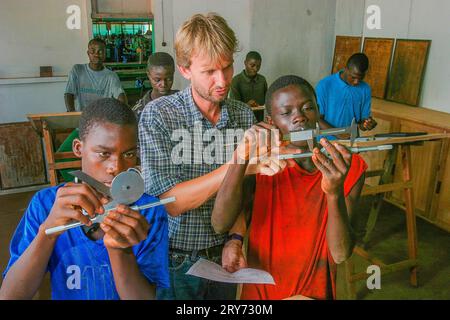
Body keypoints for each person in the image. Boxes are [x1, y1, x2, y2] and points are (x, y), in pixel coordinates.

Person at [138, 13, 293, 300]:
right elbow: (170, 202)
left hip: (224, 257)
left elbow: (242, 192)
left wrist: (235, 238)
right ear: (185, 70)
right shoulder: (159, 116)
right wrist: (240, 162)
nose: (222, 81)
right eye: (209, 71)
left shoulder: (242, 114)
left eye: (227, 67)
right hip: (177, 260)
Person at [211, 75, 368, 300]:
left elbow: (341, 253)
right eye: (286, 113)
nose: (300, 118)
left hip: (312, 293)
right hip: (262, 292)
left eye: (308, 108)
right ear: (270, 121)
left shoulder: (347, 167)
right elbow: (220, 223)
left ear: (318, 112)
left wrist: (334, 193)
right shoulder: (263, 163)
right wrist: (242, 157)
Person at [0, 98, 169, 300]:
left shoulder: (149, 210)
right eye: (103, 153)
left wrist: (119, 250)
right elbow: (11, 296)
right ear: (79, 148)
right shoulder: (46, 205)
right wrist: (47, 233)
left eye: (129, 153)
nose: (116, 167)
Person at [316, 53, 377, 138]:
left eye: (360, 78)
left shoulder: (365, 89)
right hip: (325, 143)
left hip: (351, 142)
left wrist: (367, 124)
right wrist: (339, 133)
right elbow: (317, 119)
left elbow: (361, 123)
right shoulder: (325, 85)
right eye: (353, 77)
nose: (356, 82)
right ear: (346, 69)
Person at [64, 38, 127, 112]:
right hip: (81, 117)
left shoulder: (111, 76)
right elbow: (68, 94)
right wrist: (72, 115)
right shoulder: (78, 70)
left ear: (105, 54)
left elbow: (120, 95)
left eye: (100, 51)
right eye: (92, 51)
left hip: (103, 118)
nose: (96, 54)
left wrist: (123, 110)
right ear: (88, 53)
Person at [132, 52, 178, 120]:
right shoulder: (139, 111)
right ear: (149, 75)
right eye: (157, 80)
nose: (163, 84)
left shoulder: (182, 100)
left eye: (169, 79)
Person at [230, 51, 268, 121]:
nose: (256, 69)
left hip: (259, 121)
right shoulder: (236, 81)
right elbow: (233, 106)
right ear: (245, 63)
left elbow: (267, 101)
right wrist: (246, 105)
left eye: (258, 66)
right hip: (242, 122)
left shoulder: (262, 80)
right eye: (252, 65)